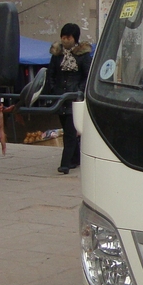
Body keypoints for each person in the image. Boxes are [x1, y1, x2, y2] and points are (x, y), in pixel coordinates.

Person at [46, 23, 92, 174]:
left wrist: (79, 91)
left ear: (75, 38)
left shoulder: (83, 56)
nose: (65, 40)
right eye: (63, 37)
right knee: (67, 128)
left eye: (68, 37)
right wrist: (53, 90)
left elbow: (87, 76)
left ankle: (65, 163)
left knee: (70, 132)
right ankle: (75, 158)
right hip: (60, 98)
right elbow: (51, 74)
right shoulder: (57, 55)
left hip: (75, 98)